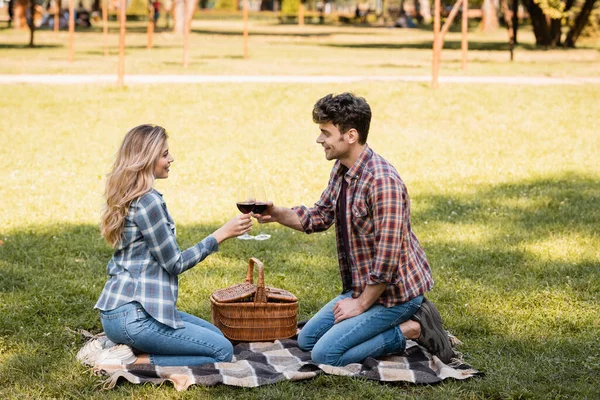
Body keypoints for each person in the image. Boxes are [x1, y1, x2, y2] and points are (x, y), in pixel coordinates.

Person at [256, 93, 453, 366]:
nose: (319, 140)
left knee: (326, 355)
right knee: (307, 341)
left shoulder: (383, 182)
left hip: (395, 295)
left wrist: (359, 306)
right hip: (362, 287)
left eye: (325, 133)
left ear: (350, 136)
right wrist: (275, 213)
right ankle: (378, 323)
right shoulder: (342, 169)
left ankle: (413, 327)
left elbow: (387, 258)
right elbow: (319, 216)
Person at [91, 124, 253, 367]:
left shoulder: (133, 196)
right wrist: (220, 234)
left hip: (127, 312)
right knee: (221, 351)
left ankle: (127, 348)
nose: (171, 159)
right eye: (165, 154)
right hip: (133, 317)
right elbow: (174, 263)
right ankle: (132, 361)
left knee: (217, 337)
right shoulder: (148, 202)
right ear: (146, 159)